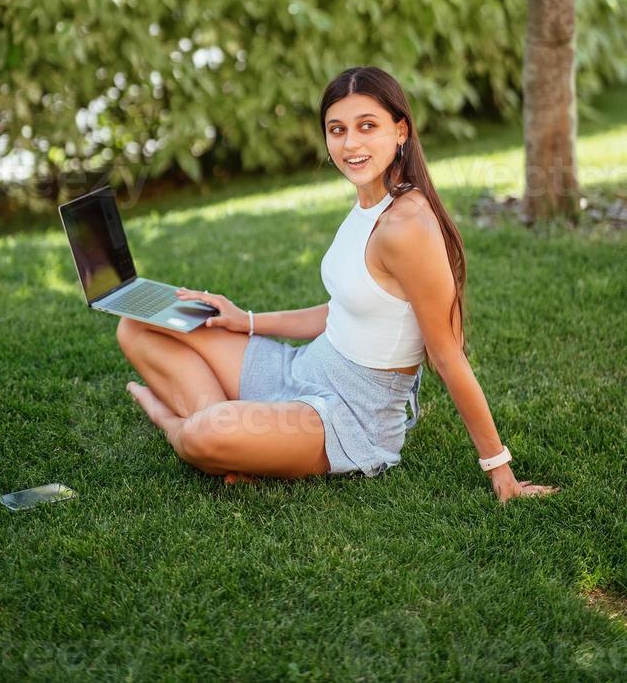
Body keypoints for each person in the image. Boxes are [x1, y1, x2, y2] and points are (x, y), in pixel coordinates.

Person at [118, 65, 561, 502]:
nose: (350, 144)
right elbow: (344, 309)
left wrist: (500, 470)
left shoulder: (407, 227)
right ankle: (238, 448)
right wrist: (246, 320)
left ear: (400, 130)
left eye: (367, 126)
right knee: (137, 325)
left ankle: (174, 422)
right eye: (337, 129)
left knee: (204, 434)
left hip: (348, 415)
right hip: (302, 369)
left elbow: (448, 356)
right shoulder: (369, 200)